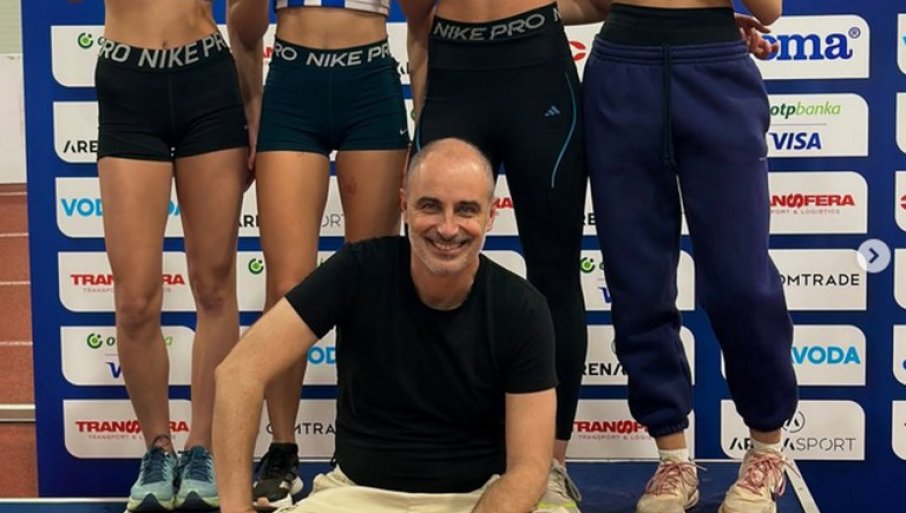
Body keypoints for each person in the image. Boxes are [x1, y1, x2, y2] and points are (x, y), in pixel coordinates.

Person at [212, 138, 559, 513]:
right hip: (353, 497)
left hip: (478, 498)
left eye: (466, 210)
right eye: (430, 206)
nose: (447, 228)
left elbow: (529, 468)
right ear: (404, 205)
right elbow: (238, 373)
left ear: (491, 215)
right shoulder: (358, 269)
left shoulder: (522, 308)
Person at [558, 0, 797, 512]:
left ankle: (766, 450)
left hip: (715, 66)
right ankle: (672, 459)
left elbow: (769, 10)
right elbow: (589, 3)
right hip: (622, 67)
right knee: (637, 278)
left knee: (743, 282)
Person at [399, 0, 588, 509]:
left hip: (538, 67)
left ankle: (549, 466)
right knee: (431, 271)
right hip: (453, 67)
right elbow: (416, 16)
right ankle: (433, 449)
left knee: (555, 276)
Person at [226, 1, 409, 507]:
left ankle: (358, 449)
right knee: (288, 285)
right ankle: (282, 449)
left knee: (371, 282)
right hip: (292, 80)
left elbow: (423, 25)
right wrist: (252, 108)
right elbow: (243, 28)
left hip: (369, 78)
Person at [96, 0, 258, 511]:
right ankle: (157, 449)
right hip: (128, 83)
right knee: (135, 299)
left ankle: (202, 447)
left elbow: (244, 19)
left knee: (213, 285)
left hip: (207, 79)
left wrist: (253, 104)